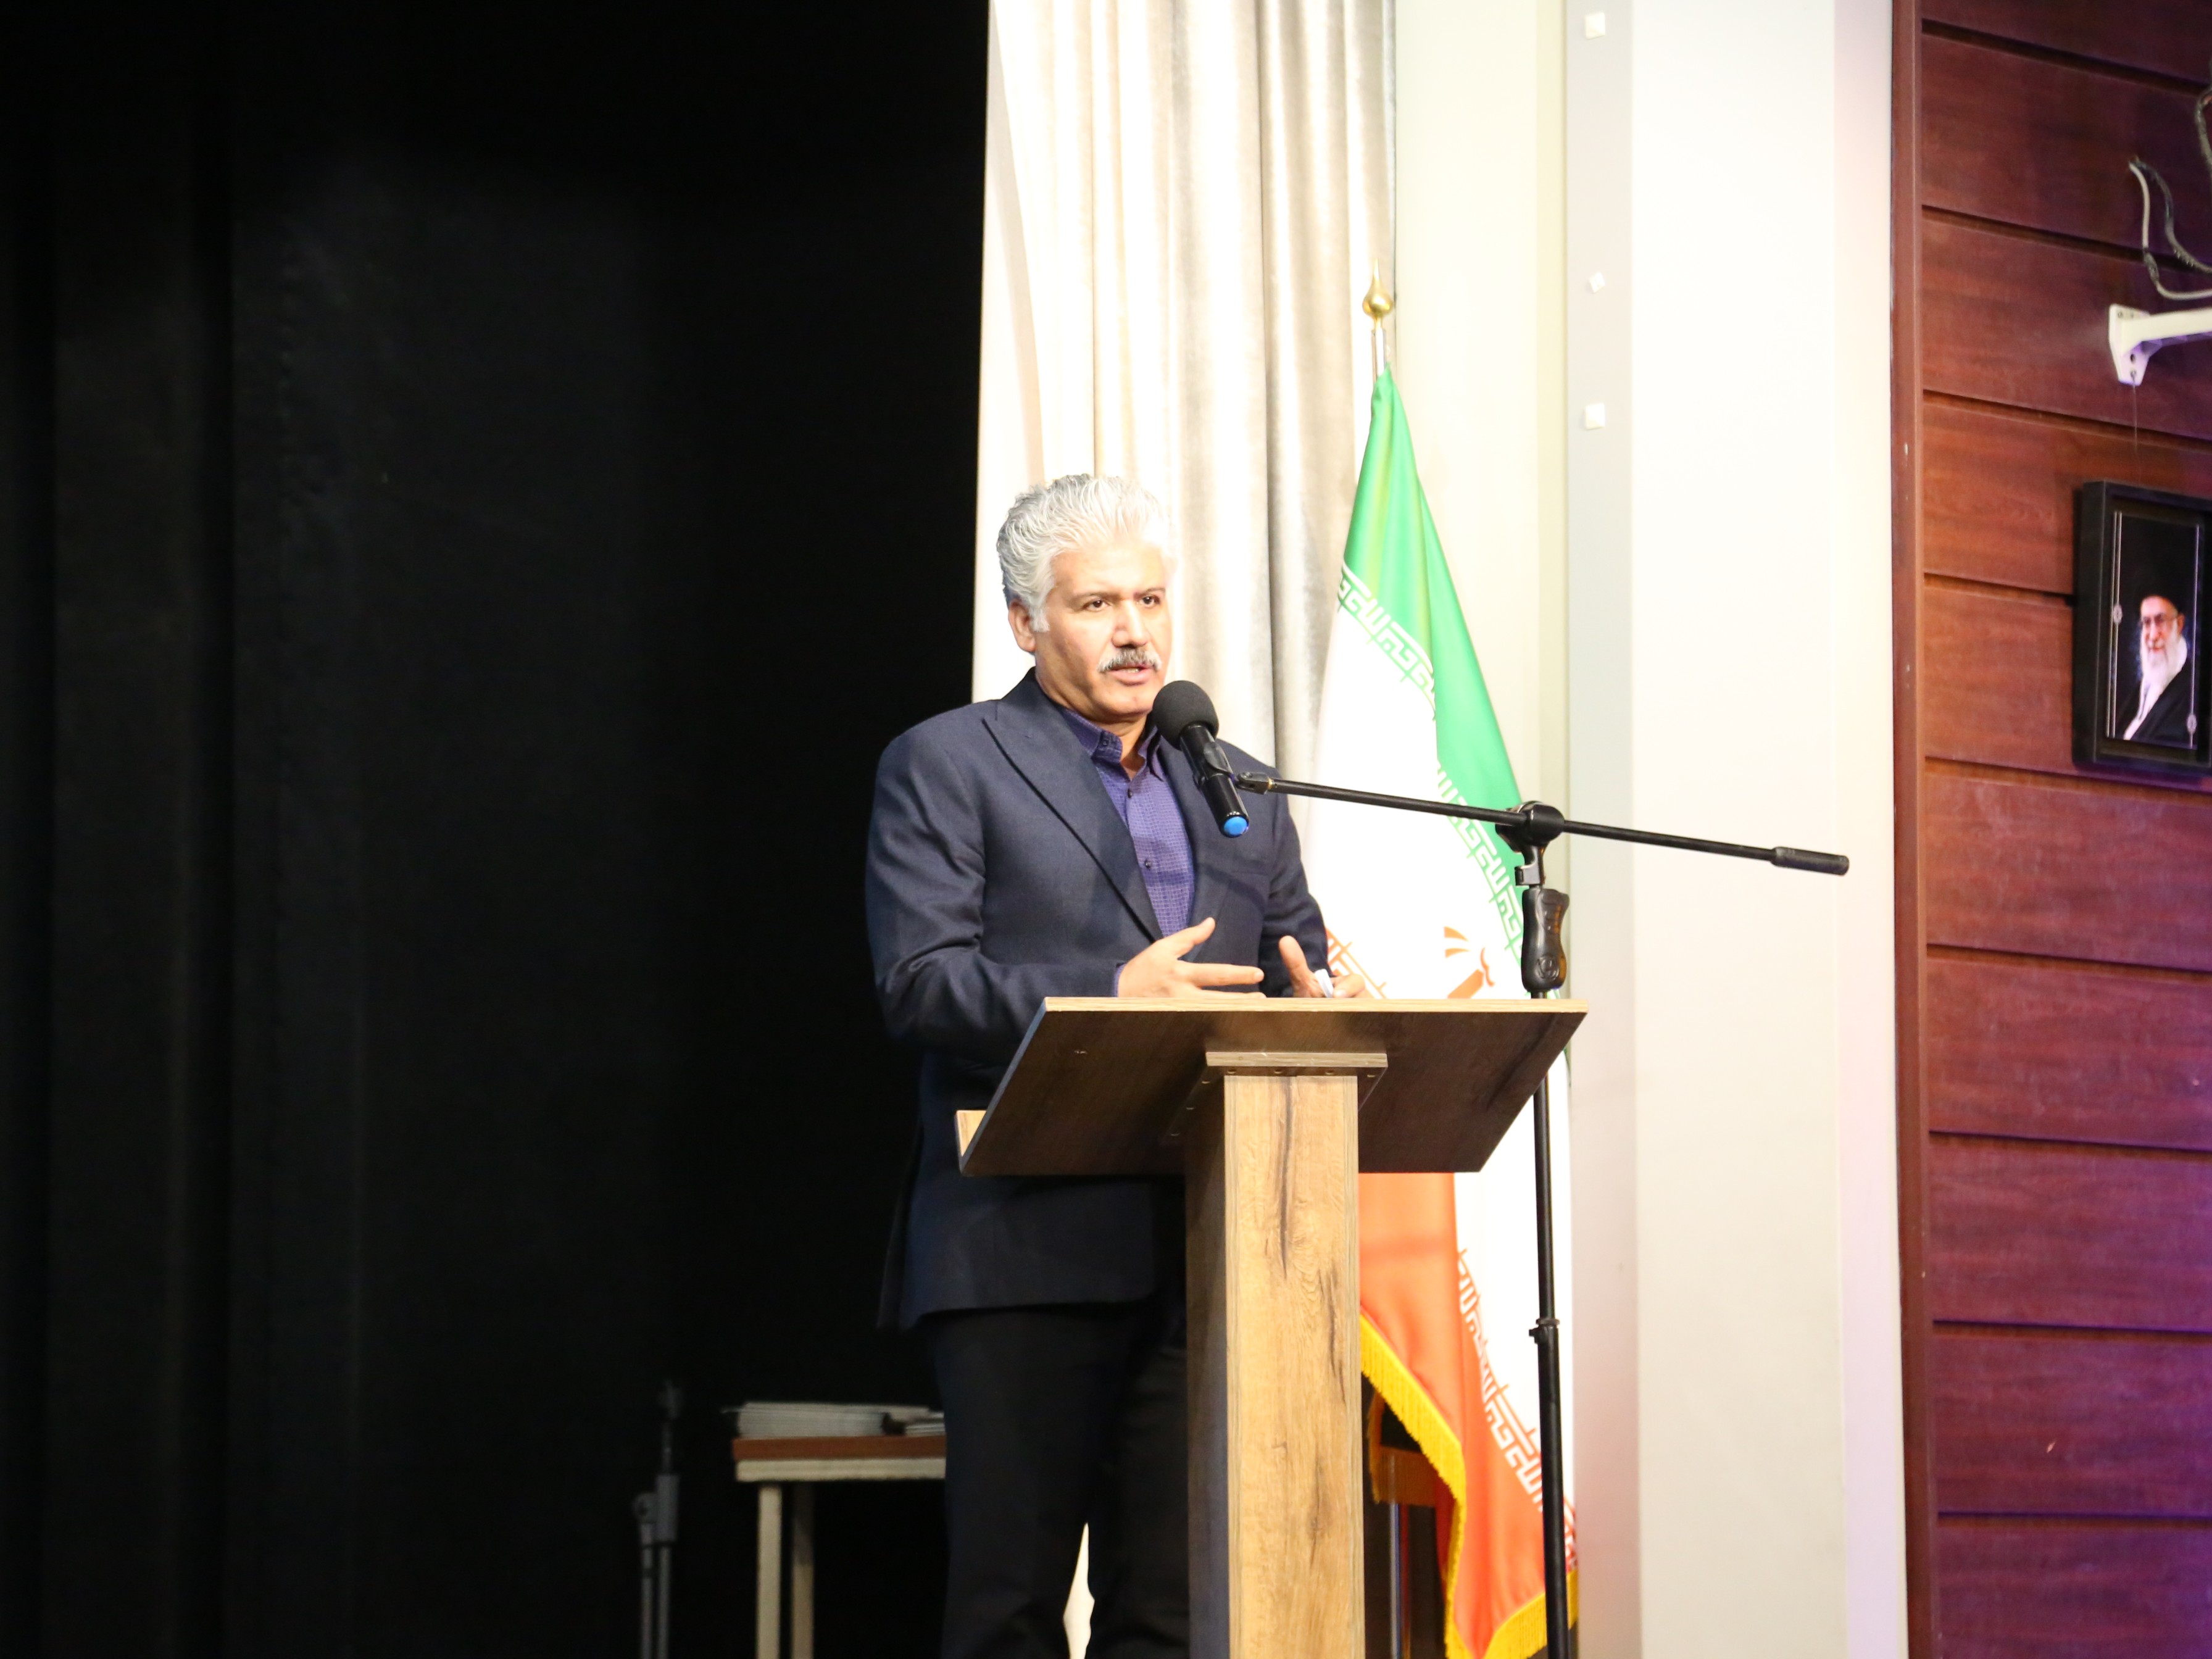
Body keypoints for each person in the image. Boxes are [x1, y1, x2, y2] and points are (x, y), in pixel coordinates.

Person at [864, 474, 1364, 1659]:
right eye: (1096, 604)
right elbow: (918, 982)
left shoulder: (1234, 783)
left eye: (1149, 598)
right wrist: (1104, 997)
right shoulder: (947, 761)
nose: (1134, 630)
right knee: (1008, 1610)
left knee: (1170, 1613)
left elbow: (1294, 957)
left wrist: (1329, 1004)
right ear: (1024, 621)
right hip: (1020, 1242)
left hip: (1206, 1245)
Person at [2122, 591, 2195, 747]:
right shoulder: (2142, 688)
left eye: (2160, 621)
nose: (2153, 636)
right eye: (2146, 623)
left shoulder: (2194, 691)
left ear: (2179, 624)